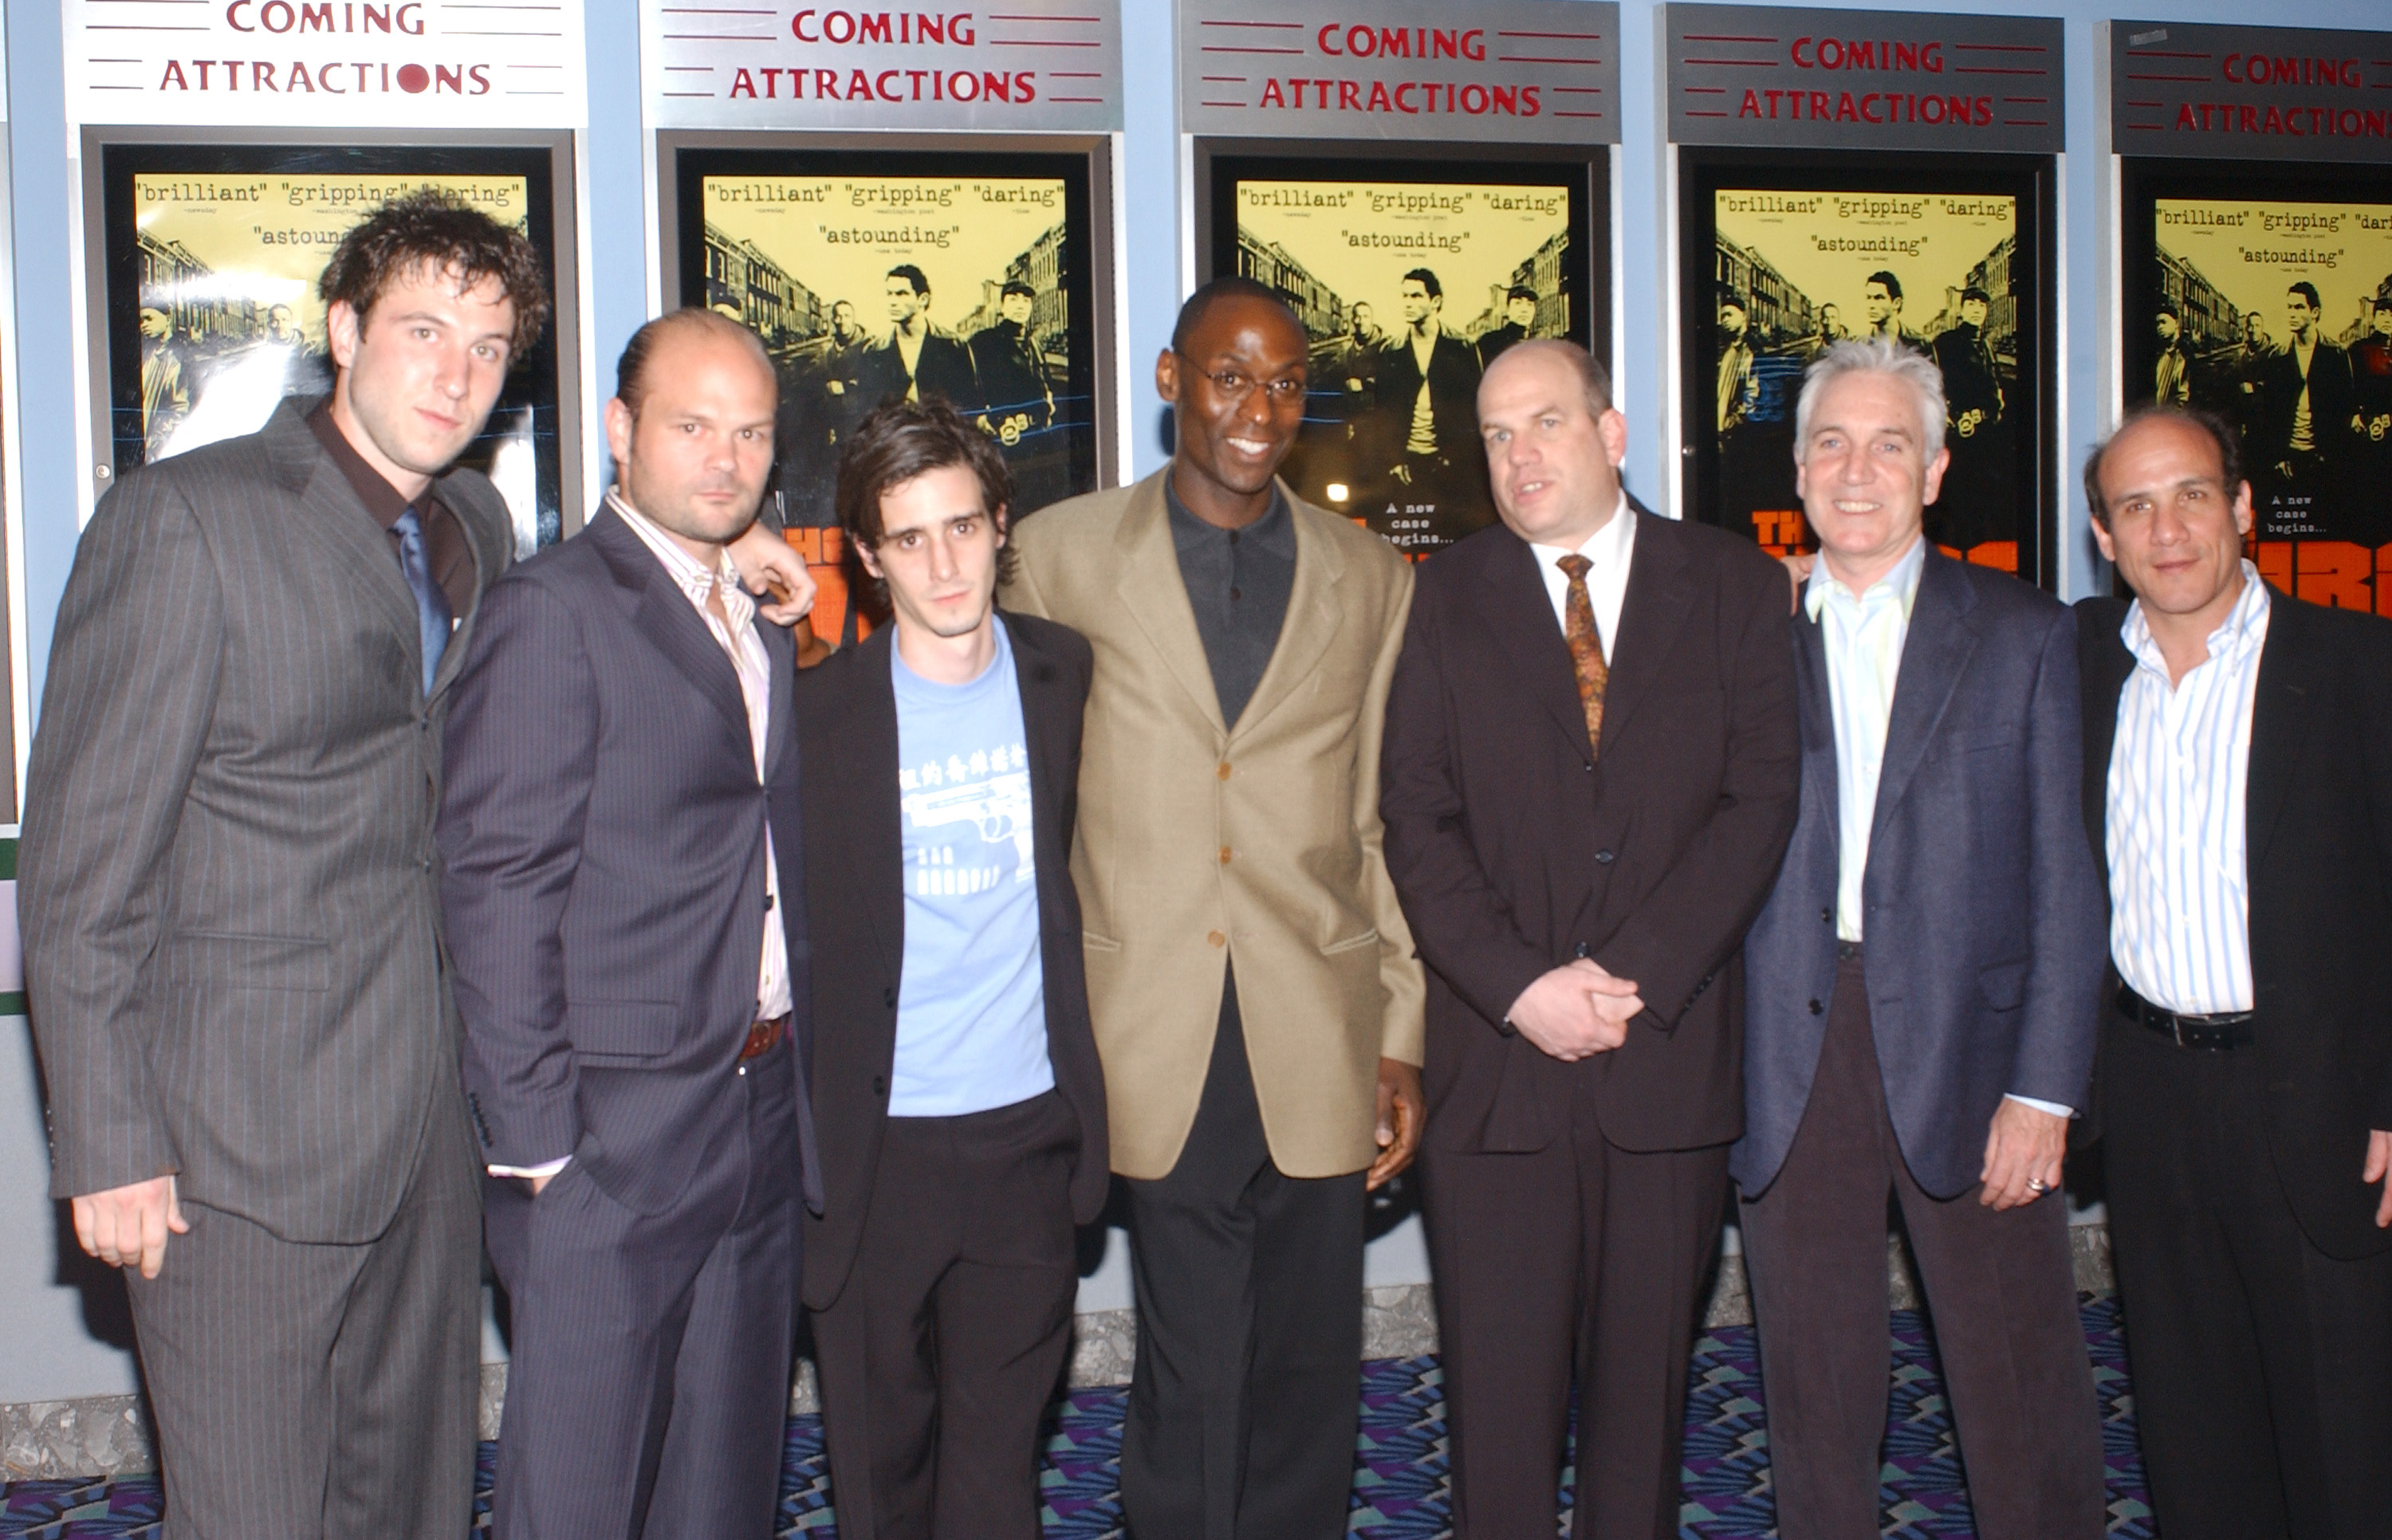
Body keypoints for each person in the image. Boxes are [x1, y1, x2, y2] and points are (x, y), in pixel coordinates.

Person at [19, 193, 565, 1540]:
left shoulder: (480, 538)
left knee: (416, 1506)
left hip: (430, 1139)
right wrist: (110, 1145)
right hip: (231, 1162)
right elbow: (84, 873)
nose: (456, 374)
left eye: (489, 348)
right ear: (343, 331)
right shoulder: (184, 524)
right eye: (424, 331)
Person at [1000, 274, 1425, 1540]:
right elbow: (1018, 795)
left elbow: (1374, 822)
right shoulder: (1060, 555)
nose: (1260, 406)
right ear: (1171, 380)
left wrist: (1403, 1030)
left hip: (1321, 1016)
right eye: (1231, 374)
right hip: (1147, 1018)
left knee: (1308, 1367)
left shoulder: (1370, 575)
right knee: (1189, 1363)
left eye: (1286, 381)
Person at [1378, 340, 1799, 1538]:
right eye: (1498, 436)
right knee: (1498, 1430)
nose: (1519, 457)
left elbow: (1759, 801)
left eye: (1545, 425)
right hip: (1497, 1075)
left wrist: (1635, 979)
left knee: (1642, 1427)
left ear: (1612, 434)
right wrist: (1521, 989)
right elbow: (1416, 816)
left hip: (1664, 1066)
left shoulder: (1730, 583)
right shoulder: (1439, 594)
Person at [438, 309, 822, 1538]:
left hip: (760, 1120)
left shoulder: (758, 615)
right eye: (692, 426)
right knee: (581, 1506)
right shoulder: (552, 609)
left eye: (752, 433)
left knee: (720, 1497)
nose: (726, 459)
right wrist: (541, 1152)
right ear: (620, 431)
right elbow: (495, 887)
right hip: (606, 1147)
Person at [1734, 336, 2107, 1539]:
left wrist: (2045, 1092)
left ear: (1936, 470)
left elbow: (2069, 883)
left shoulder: (2026, 635)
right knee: (1813, 1389)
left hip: (1975, 1050)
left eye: (1889, 444)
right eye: (1830, 443)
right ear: (1797, 473)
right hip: (1791, 1047)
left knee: (2022, 1385)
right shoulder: (1738, 631)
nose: (1857, 470)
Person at [2076, 403, 2392, 1539]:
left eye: (2194, 494)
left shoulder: (2359, 666)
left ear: (2245, 508)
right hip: (2149, 1099)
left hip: (2317, 1097)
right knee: (2190, 1427)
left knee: (2345, 1441)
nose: (2169, 530)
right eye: (2136, 507)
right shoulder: (2075, 668)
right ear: (2103, 539)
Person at [794, 398, 1107, 1540]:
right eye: (911, 539)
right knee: (883, 1480)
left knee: (994, 1480)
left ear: (1001, 523)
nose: (945, 563)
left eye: (964, 527)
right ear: (869, 560)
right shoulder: (816, 722)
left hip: (1026, 1136)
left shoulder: (1064, 678)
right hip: (878, 1153)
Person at [1372, 267, 1483, 515]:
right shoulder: (1392, 351)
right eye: (1405, 296)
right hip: (1406, 463)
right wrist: (1394, 461)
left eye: (1416, 296)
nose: (1408, 303)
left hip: (1449, 464)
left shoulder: (1462, 347)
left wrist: (1457, 459)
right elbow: (1382, 414)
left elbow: (1475, 411)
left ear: (1435, 302)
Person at [2256, 281, 2355, 495]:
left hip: (2324, 462)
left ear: (2315, 312)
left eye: (2299, 307)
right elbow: (2269, 414)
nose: (2292, 313)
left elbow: (2346, 411)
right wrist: (2279, 458)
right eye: (2289, 307)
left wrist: (2332, 457)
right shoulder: (2278, 357)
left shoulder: (2335, 355)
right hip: (2288, 461)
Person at [1930, 287, 2008, 552]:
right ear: (1962, 310)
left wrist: (1992, 410)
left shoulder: (1986, 345)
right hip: (1958, 437)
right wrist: (1954, 415)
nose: (1977, 310)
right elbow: (1935, 385)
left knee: (1982, 498)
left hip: (1986, 437)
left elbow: (1994, 386)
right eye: (1971, 305)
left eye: (1982, 306)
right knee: (1958, 501)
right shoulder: (1946, 342)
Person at [859, 264, 982, 413]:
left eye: (901, 294)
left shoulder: (953, 346)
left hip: (941, 433)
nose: (892, 301)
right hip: (894, 434)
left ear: (922, 299)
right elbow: (868, 412)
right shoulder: (874, 351)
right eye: (889, 294)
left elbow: (971, 407)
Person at [1717, 291, 1758, 437]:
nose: (1725, 320)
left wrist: (1730, 424)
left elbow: (1753, 397)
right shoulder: (1727, 349)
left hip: (1737, 434)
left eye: (1729, 315)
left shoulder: (1753, 350)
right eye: (1722, 316)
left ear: (1743, 317)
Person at [1474, 285, 1539, 368]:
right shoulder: (1490, 342)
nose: (1524, 310)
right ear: (1508, 309)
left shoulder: (1538, 347)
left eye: (1529, 304)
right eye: (1518, 303)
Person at [1859, 270, 1922, 352]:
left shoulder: (1919, 344)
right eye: (1868, 297)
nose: (1871, 305)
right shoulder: (1860, 346)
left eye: (1879, 298)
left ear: (1896, 303)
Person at [2154, 305, 2192, 407]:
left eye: (2164, 322)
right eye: (2157, 324)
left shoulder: (2184, 354)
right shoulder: (2161, 354)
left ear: (2176, 324)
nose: (2160, 327)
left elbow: (2184, 397)